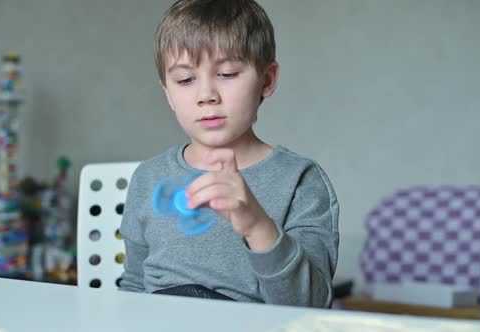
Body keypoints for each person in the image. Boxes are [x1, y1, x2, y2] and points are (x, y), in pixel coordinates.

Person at [119, 0, 339, 308]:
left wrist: (256, 225)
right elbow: (133, 287)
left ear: (267, 80)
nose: (206, 95)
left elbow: (311, 306)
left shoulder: (300, 182)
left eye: (227, 73)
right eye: (185, 80)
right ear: (168, 93)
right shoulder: (148, 177)